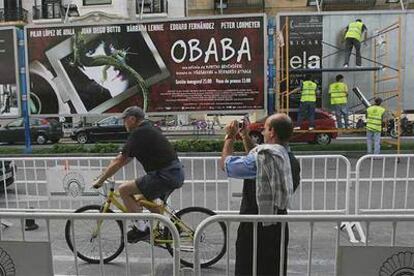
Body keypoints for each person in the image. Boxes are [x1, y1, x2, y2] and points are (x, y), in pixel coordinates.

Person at [220, 114, 301, 276]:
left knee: (248, 268)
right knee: (274, 269)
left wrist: (230, 136)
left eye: (265, 128)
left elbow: (226, 165)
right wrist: (244, 135)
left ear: (272, 132)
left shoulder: (265, 158)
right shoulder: (289, 159)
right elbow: (255, 157)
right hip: (278, 223)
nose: (262, 132)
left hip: (254, 225)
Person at [93, 106, 185, 243]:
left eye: (124, 120)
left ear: (132, 119)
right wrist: (106, 172)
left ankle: (142, 230)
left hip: (165, 175)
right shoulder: (148, 128)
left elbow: (120, 160)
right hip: (173, 173)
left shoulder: (139, 133)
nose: (123, 123)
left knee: (124, 190)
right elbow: (126, 158)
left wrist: (101, 180)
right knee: (142, 200)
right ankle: (172, 227)